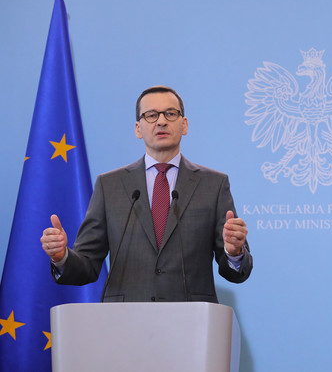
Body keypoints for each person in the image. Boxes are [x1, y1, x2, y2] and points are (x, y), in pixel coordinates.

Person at [40, 85, 252, 302]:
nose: (161, 121)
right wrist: (62, 257)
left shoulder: (213, 184)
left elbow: (235, 272)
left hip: (192, 322)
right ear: (138, 128)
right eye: (151, 115)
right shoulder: (109, 185)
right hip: (126, 321)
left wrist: (234, 252)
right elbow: (87, 265)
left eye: (170, 113)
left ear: (184, 124)